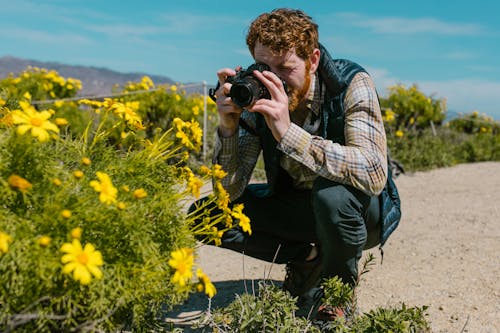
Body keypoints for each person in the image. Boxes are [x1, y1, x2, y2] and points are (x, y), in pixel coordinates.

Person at [192, 8, 401, 320]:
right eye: (264, 67)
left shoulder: (350, 83)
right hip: (298, 207)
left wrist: (288, 133)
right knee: (205, 217)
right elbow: (229, 191)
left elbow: (373, 174)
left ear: (313, 61)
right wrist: (229, 127)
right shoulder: (256, 97)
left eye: (285, 68)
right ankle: (309, 257)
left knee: (331, 196)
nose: (274, 79)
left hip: (359, 211)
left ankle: (337, 296)